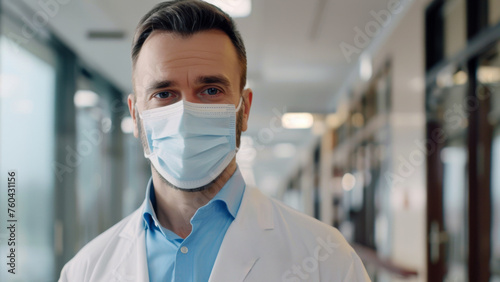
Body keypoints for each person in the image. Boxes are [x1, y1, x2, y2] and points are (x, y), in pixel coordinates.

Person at [59, 0, 370, 281]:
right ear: (136, 116)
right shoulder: (86, 270)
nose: (184, 113)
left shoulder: (326, 260)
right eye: (163, 94)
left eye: (210, 91)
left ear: (244, 109)